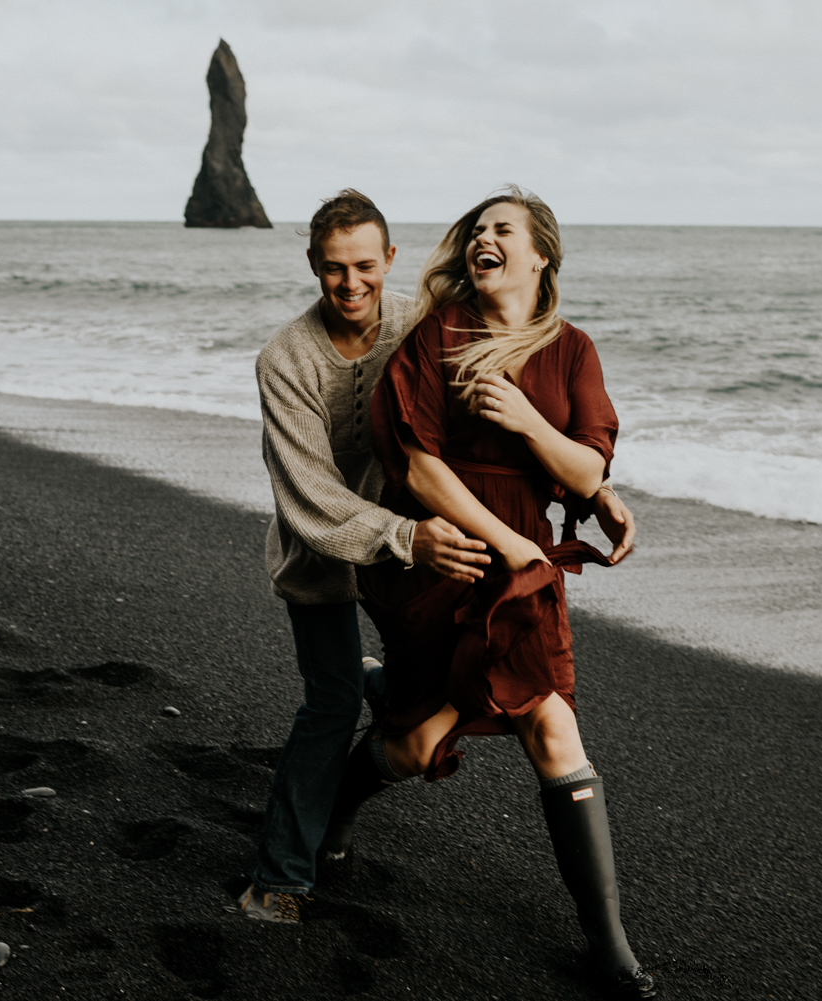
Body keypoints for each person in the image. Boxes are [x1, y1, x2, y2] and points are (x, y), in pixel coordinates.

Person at [239, 188, 639, 924]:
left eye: (365, 265)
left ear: (390, 260)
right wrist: (409, 534)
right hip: (331, 553)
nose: (351, 284)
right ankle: (281, 875)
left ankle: (386, 684)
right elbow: (312, 498)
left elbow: (522, 405)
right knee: (330, 706)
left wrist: (597, 486)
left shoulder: (416, 323)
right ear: (312, 267)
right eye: (333, 269)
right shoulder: (285, 361)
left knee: (432, 694)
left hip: (428, 549)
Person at [323, 186, 657, 998]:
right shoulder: (442, 334)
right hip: (445, 552)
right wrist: (506, 543)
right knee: (415, 742)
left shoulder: (572, 348)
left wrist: (525, 421)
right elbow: (417, 463)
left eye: (502, 229)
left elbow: (584, 466)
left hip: (526, 562)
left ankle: (608, 941)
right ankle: (333, 805)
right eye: (476, 230)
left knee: (551, 725)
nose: (484, 238)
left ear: (539, 253)